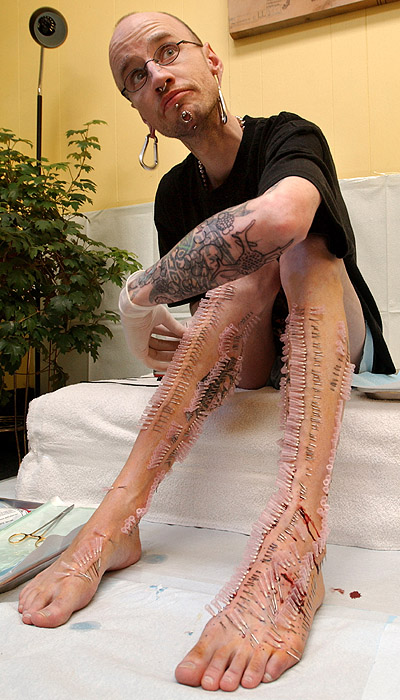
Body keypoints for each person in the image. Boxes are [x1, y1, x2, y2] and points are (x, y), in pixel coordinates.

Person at [17, 11, 395, 693]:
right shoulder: (174, 193)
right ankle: (115, 523)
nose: (157, 76)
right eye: (136, 76)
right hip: (260, 360)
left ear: (212, 61)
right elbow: (225, 352)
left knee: (287, 237)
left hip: (345, 342)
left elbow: (281, 217)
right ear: (139, 110)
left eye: (168, 52)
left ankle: (296, 539)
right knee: (242, 269)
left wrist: (136, 295)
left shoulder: (288, 134)